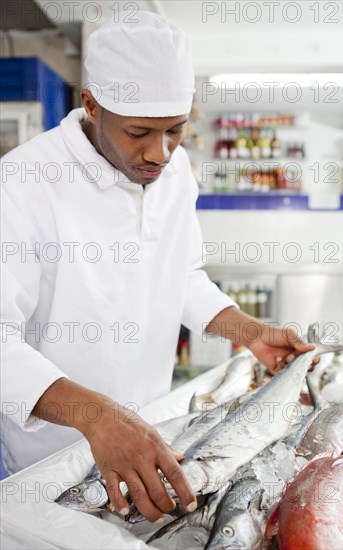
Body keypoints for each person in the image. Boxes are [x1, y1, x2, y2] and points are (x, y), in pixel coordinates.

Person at [0, 11, 315, 523]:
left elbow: (183, 276)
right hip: (53, 458)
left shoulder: (176, 172)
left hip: (155, 427)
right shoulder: (22, 184)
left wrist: (250, 331)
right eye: (139, 132)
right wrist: (98, 417)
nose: (159, 153)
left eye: (175, 130)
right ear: (91, 105)